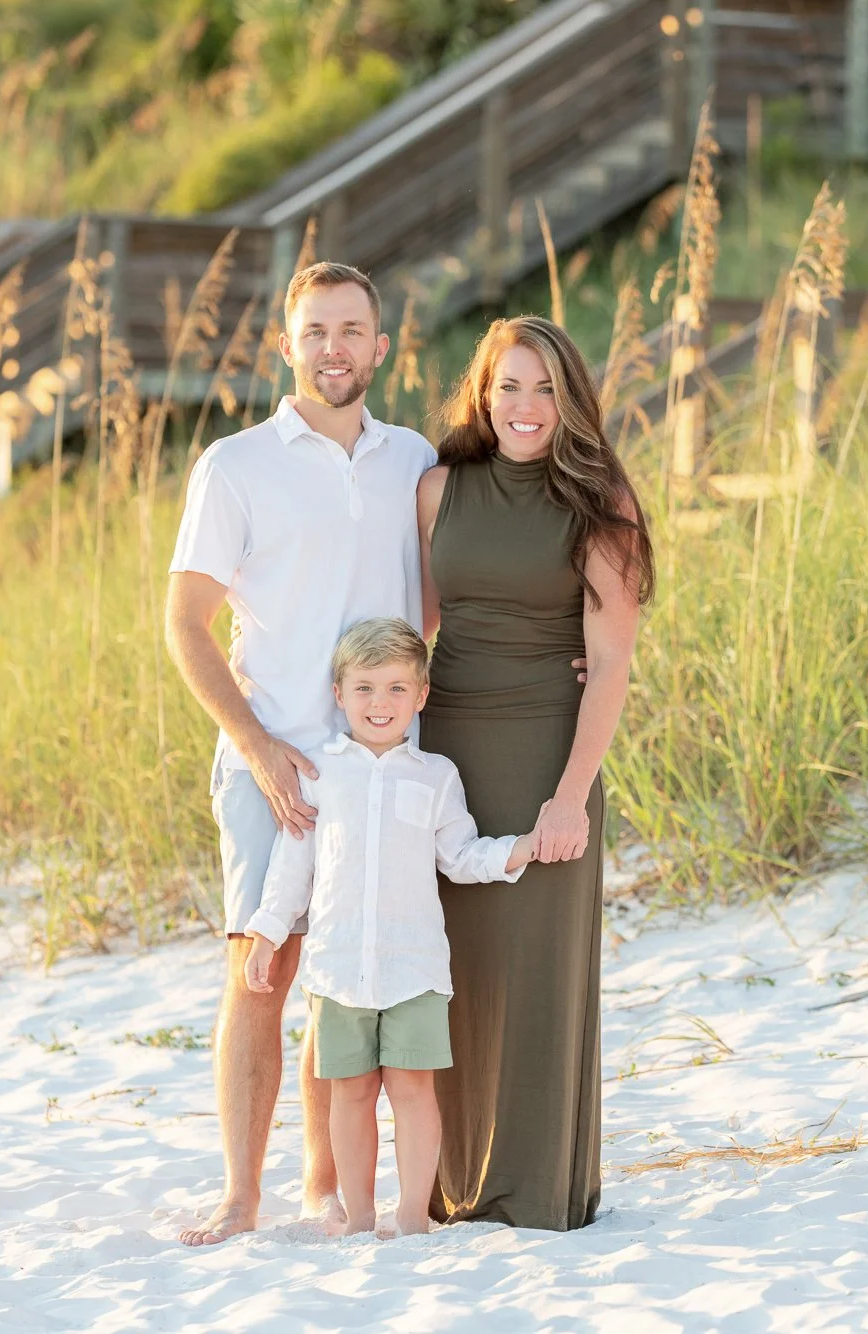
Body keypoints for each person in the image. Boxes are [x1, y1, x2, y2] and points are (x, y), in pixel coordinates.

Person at [164, 262, 433, 1246]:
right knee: (261, 969)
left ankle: (327, 1180)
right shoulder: (234, 466)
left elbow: (427, 599)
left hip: (377, 772)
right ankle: (241, 1193)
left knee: (346, 978)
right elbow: (184, 621)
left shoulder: (413, 459)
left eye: (352, 329)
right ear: (287, 347)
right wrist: (257, 743)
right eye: (315, 330)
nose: (334, 347)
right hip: (271, 764)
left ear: (380, 345)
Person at [418, 315, 655, 1231]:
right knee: (455, 970)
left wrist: (568, 797)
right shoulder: (439, 491)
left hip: (548, 751)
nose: (525, 407)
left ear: (572, 401)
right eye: (508, 386)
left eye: (545, 389)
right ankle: (450, 1187)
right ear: (482, 393)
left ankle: (532, 1190)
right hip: (444, 755)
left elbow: (613, 662)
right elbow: (421, 625)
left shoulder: (603, 506)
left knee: (536, 971)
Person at [243, 618, 546, 1237]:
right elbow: (292, 864)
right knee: (349, 1094)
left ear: (422, 695)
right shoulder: (319, 775)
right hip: (337, 963)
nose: (379, 704)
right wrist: (268, 932)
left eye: (395, 689)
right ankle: (358, 1216)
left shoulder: (436, 776)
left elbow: (460, 857)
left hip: (414, 966)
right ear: (339, 694)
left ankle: (410, 1215)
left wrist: (522, 849)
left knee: (413, 1091)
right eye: (364, 689)